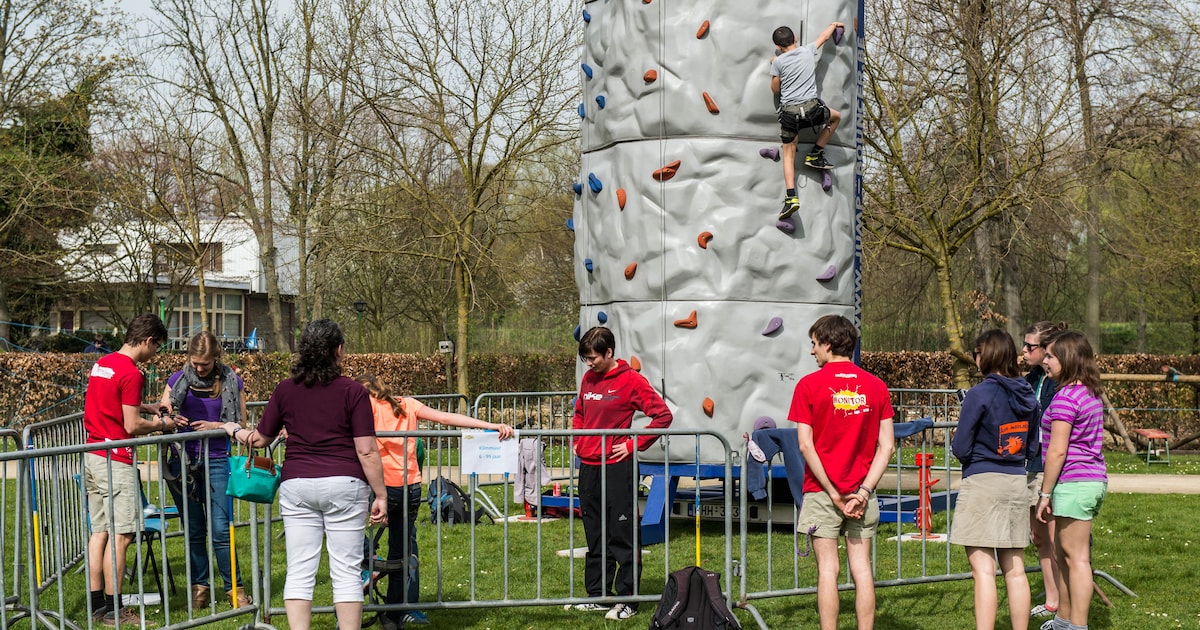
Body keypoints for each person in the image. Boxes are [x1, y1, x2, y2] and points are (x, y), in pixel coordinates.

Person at [223, 319, 387, 630]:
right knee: (346, 572)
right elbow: (366, 451)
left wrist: (233, 430)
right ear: (338, 350)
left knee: (299, 571)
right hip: (345, 484)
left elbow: (261, 439)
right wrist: (380, 494)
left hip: (297, 484)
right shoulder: (353, 392)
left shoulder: (285, 389)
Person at [354, 373, 514, 630]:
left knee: (339, 525)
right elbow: (446, 418)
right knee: (400, 555)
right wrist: (491, 425)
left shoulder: (364, 407)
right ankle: (393, 617)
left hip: (379, 487)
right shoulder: (407, 404)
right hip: (409, 488)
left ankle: (365, 562)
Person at [789, 314, 894, 630]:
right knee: (861, 568)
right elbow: (887, 446)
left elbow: (805, 445)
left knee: (827, 570)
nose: (812, 351)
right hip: (863, 493)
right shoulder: (876, 386)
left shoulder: (808, 385)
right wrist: (864, 491)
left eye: (814, 343)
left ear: (828, 343)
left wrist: (834, 493)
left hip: (822, 492)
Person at [568, 326, 673, 622]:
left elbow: (663, 416)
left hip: (618, 467)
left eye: (593, 358)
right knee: (595, 534)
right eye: (585, 359)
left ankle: (629, 599)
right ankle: (598, 596)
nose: (589, 364)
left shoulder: (631, 380)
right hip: (589, 467)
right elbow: (580, 412)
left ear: (609, 352)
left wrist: (631, 444)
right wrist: (577, 440)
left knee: (622, 534)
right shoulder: (588, 378)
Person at [83, 313, 177, 627]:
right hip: (115, 460)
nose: (155, 354)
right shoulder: (132, 373)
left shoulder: (102, 364)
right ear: (148, 340)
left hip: (93, 453)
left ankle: (97, 605)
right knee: (121, 536)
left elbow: (113, 404)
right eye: (157, 347)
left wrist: (146, 407)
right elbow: (132, 425)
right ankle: (115, 610)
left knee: (100, 532)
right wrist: (162, 424)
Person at [950, 329, 1038, 630]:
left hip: (983, 482)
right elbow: (1032, 447)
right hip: (1015, 480)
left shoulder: (978, 394)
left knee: (984, 570)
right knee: (1015, 570)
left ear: (984, 356)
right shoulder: (1027, 394)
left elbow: (961, 447)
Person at [159, 331, 251, 610]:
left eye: (205, 364)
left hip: (218, 460)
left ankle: (234, 589)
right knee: (194, 528)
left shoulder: (232, 381)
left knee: (221, 529)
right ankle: (199, 588)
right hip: (182, 462)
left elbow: (241, 423)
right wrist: (169, 418)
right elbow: (163, 413)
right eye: (195, 363)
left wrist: (215, 426)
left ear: (216, 359)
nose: (199, 369)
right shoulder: (176, 380)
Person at [1036, 331, 1107, 630]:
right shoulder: (1089, 392)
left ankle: (1078, 626)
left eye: (1051, 356)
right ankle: (1063, 621)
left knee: (1076, 558)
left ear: (1068, 359)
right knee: (1062, 554)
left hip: (1075, 482)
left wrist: (1044, 494)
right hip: (1087, 481)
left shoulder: (1066, 397)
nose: (1046, 361)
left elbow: (1057, 451)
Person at [770, 21, 845, 220]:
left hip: (790, 115)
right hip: (812, 112)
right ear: (795, 39)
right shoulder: (807, 51)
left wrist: (775, 66)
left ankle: (791, 197)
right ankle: (816, 152)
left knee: (788, 154)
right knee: (836, 117)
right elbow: (824, 37)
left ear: (778, 47)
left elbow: (776, 89)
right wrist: (834, 25)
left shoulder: (778, 62)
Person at [1023, 321, 1067, 620]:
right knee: (1039, 537)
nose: (1024, 351)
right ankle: (1052, 600)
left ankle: (1066, 605)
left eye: (1031, 346)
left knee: (1055, 540)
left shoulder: (1060, 383)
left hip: (1048, 466)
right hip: (1030, 463)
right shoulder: (1032, 378)